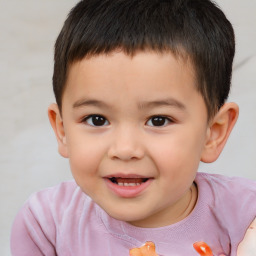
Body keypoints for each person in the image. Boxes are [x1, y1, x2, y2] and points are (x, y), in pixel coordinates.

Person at [10, 0, 256, 255]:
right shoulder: (45, 225)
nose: (125, 149)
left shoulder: (247, 218)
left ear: (213, 133)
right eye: (97, 119)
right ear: (62, 131)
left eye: (158, 120)